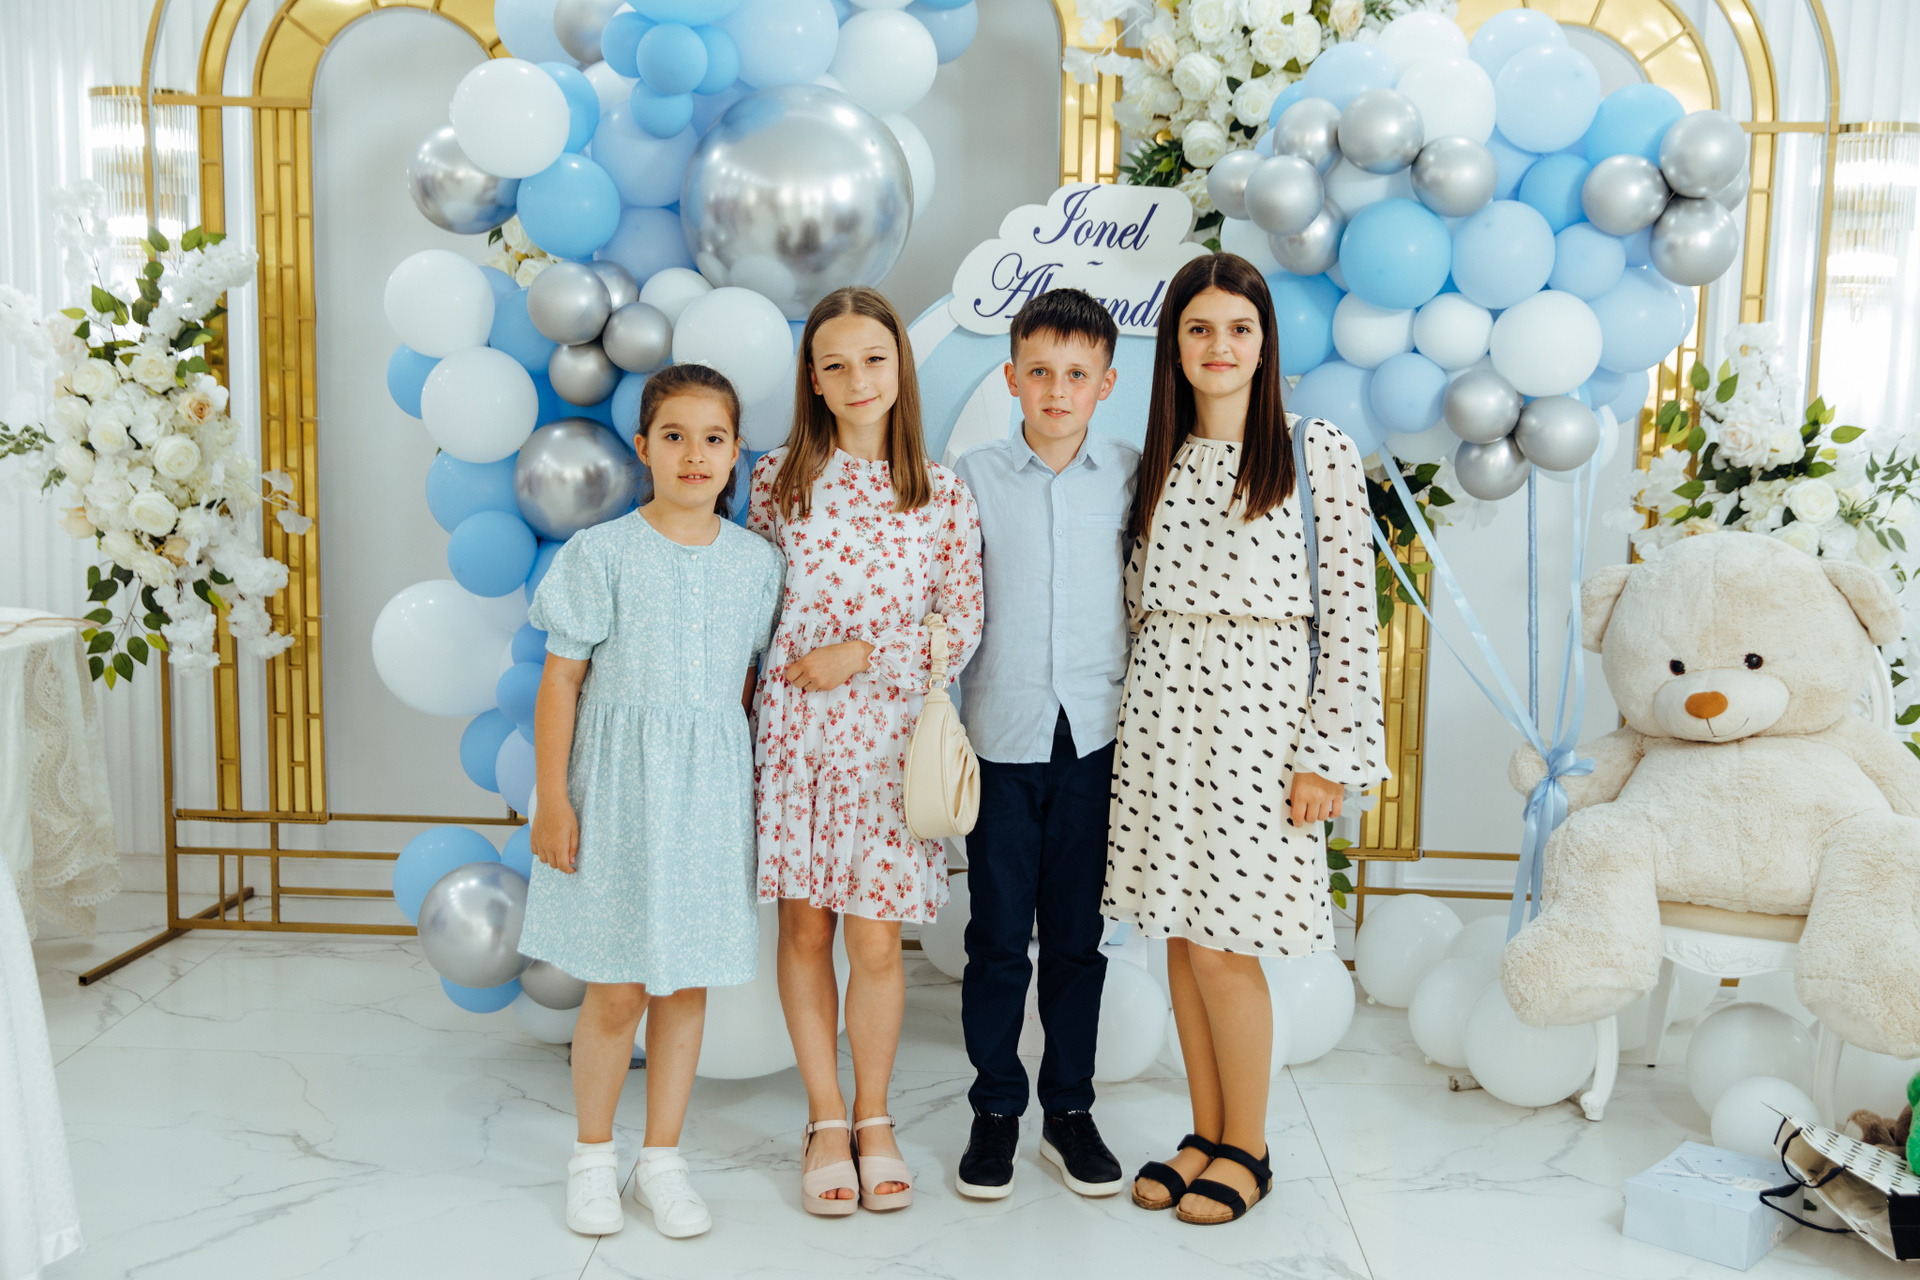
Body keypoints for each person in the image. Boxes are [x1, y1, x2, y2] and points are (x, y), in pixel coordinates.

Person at [1106, 253, 1388, 1226]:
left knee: (1229, 945)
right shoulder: (1158, 460)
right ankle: (1205, 1130)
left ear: (1265, 343)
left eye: (1237, 328)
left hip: (1261, 727)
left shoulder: (1315, 451)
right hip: (1162, 719)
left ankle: (1250, 1146)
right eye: (1199, 329)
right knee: (1181, 941)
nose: (1218, 346)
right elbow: (1134, 604)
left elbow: (1351, 614)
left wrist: (1328, 754)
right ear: (1174, 345)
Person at [521, 363, 784, 1240]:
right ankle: (593, 1158)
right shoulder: (601, 554)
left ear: (736, 453)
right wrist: (553, 800)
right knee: (616, 987)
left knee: (685, 984)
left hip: (707, 798)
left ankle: (661, 1161)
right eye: (675, 436)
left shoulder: (757, 565)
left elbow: (745, 687)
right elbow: (561, 683)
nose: (694, 454)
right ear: (643, 448)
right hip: (618, 792)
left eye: (713, 438)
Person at [746, 285, 984, 1215]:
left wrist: (863, 654)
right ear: (813, 377)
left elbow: (961, 629)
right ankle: (823, 1118)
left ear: (899, 366)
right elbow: (750, 606)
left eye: (874, 359)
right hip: (797, 738)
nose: (857, 379)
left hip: (890, 745)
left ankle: (875, 1118)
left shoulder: (940, 491)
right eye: (835, 363)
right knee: (805, 930)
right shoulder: (777, 480)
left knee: (877, 939)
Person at [948, 288, 1135, 1201]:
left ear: (1105, 383)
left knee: (1075, 940)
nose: (1058, 391)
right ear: (1012, 377)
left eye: (1076, 374)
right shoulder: (971, 479)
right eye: (1040, 372)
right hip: (1001, 737)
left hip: (1096, 739)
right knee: (995, 938)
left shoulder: (1132, 476)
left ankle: (1069, 1110)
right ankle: (994, 1110)